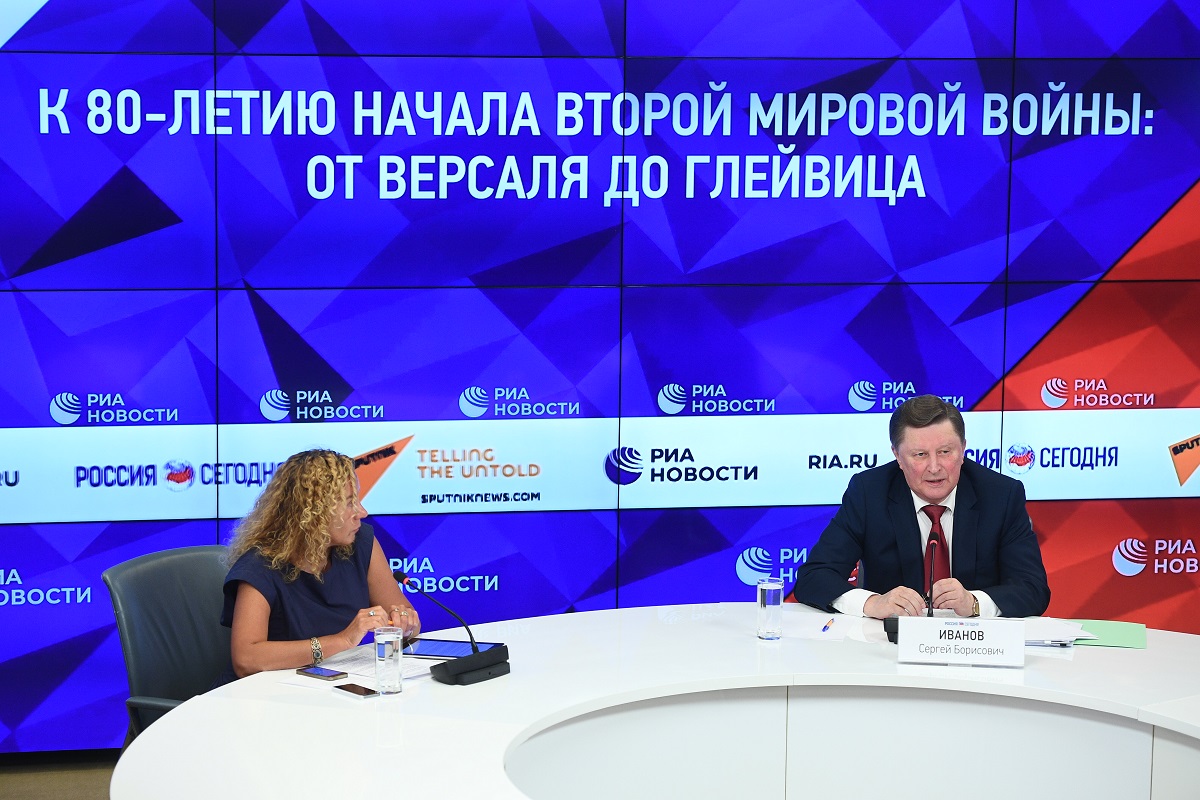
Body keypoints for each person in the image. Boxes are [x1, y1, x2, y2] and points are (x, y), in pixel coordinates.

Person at [792, 395, 1050, 619]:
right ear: (897, 456)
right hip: (889, 646)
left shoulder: (1001, 496)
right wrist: (873, 603)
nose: (935, 467)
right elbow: (814, 576)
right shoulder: (869, 493)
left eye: (945, 452)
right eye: (920, 455)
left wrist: (973, 603)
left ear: (963, 449)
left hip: (977, 645)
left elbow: (1033, 589)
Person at [216, 449, 420, 684]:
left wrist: (406, 624)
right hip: (266, 695)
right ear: (314, 513)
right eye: (349, 503)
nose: (362, 513)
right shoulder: (259, 566)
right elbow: (246, 659)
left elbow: (408, 621)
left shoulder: (361, 543)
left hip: (334, 686)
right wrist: (342, 641)